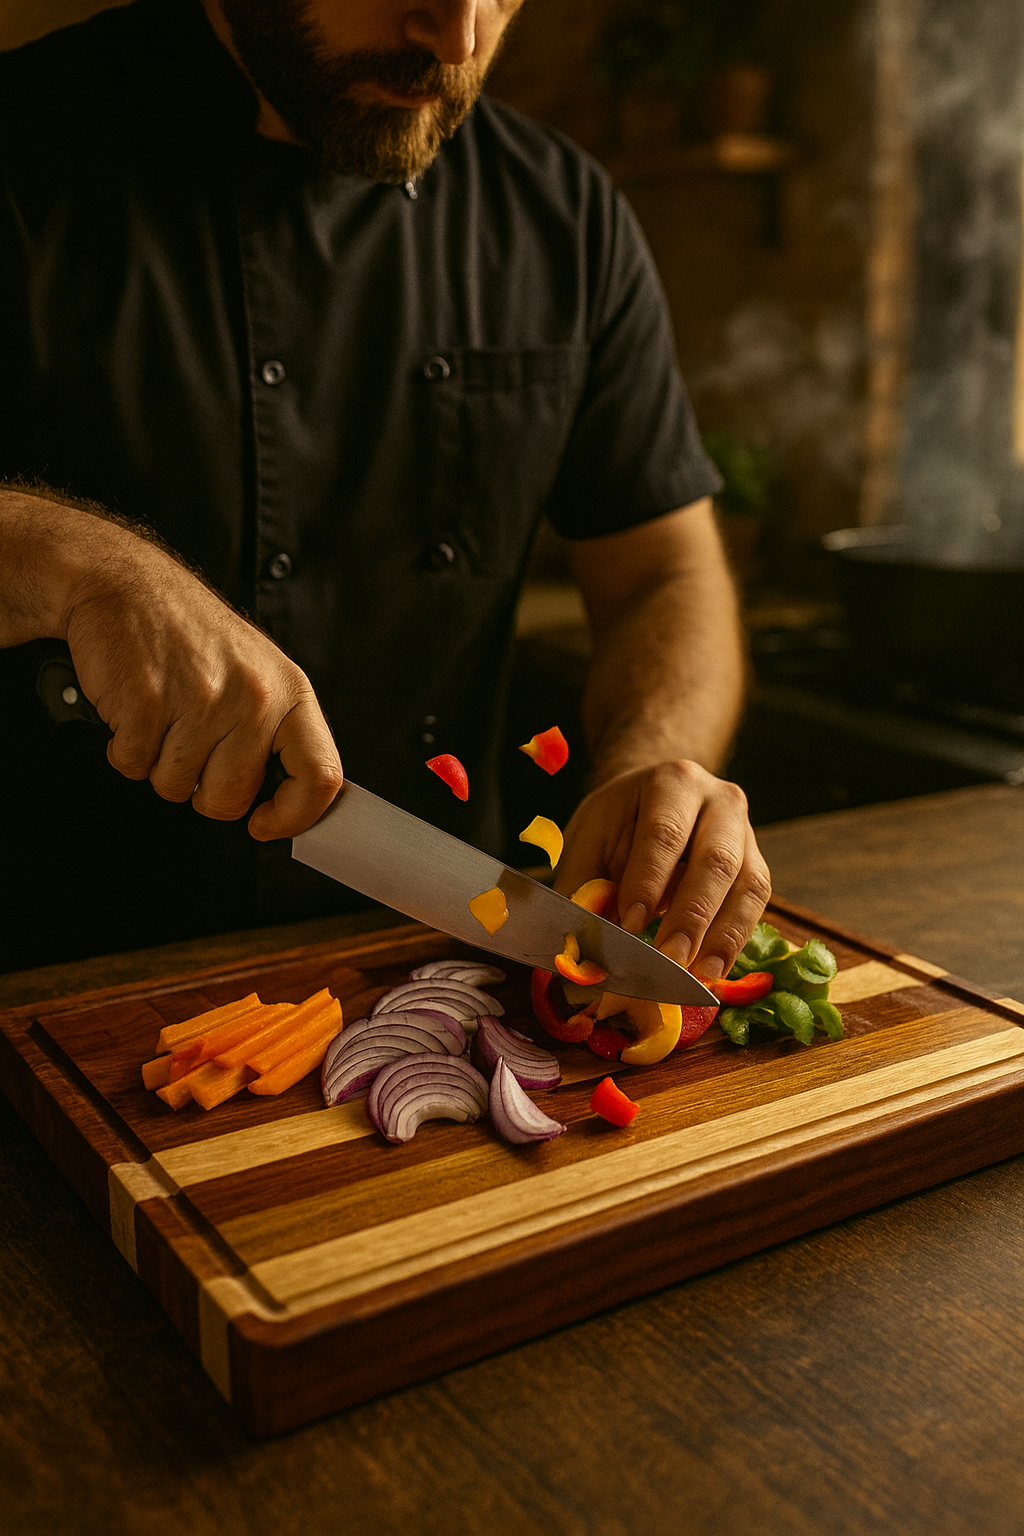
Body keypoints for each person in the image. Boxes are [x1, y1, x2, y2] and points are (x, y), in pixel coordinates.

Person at [0, 0, 771, 976]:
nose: (455, 39)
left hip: (439, 963)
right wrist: (73, 563)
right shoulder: (23, 145)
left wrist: (652, 765)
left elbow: (666, 572)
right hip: (47, 974)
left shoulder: (561, 215)